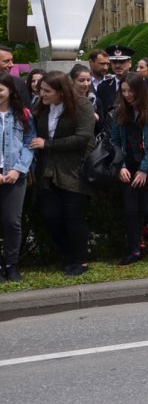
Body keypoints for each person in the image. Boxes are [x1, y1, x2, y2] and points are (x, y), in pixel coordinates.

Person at [31, 71, 96, 276]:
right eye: (41, 90)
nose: (42, 94)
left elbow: (84, 137)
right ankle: (68, 255)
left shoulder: (81, 105)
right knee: (50, 216)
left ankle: (81, 260)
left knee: (73, 217)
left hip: (74, 169)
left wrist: (49, 144)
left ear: (61, 92)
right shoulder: (42, 107)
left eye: (47, 91)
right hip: (47, 171)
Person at [109, 72, 148, 264]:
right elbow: (116, 142)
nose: (127, 95)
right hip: (129, 165)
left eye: (131, 91)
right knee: (130, 209)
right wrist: (122, 166)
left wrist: (144, 170)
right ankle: (135, 249)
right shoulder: (119, 111)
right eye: (124, 91)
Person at [0, 74, 35, 281]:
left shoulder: (23, 115)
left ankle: (12, 265)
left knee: (12, 222)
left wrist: (18, 169)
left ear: (11, 91)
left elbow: (29, 143)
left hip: (16, 175)